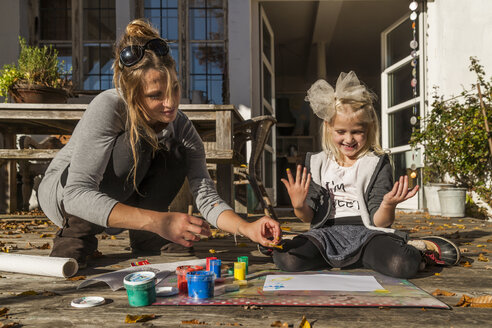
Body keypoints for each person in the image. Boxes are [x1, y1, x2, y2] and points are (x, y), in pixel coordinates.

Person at [38, 19, 281, 268]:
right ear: (132, 94)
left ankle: (147, 237)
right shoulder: (109, 107)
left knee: (175, 150)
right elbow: (77, 194)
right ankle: (76, 237)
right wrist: (160, 221)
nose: (170, 103)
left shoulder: (181, 125)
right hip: (64, 198)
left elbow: (205, 195)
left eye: (174, 89)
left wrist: (246, 227)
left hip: (116, 196)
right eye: (155, 95)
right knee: (135, 144)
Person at [261, 71, 460, 278]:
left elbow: (379, 222)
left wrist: (388, 205)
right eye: (341, 131)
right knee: (287, 259)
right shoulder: (317, 163)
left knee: (401, 264)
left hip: (369, 235)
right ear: (328, 128)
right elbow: (307, 217)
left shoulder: (377, 163)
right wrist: (299, 205)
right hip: (325, 234)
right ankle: (297, 243)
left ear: (369, 128)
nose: (349, 139)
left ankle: (421, 249)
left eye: (357, 131)